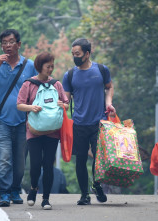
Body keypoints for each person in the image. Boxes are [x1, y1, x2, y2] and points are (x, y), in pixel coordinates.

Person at [0, 29, 38, 207]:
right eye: (4, 43)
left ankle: (15, 189)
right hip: (2, 122)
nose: (7, 45)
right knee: (4, 158)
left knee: (20, 162)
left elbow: (38, 90)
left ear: (19, 45)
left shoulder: (29, 65)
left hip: (24, 121)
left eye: (11, 42)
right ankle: (4, 193)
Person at [62, 38, 116, 205]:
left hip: (99, 122)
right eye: (73, 54)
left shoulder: (101, 69)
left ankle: (96, 184)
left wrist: (109, 103)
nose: (75, 57)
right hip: (78, 123)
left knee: (98, 158)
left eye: (77, 54)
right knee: (80, 160)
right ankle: (84, 194)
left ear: (87, 54)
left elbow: (109, 87)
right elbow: (66, 99)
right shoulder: (69, 75)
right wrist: (60, 105)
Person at [17, 52, 69, 210]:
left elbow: (66, 103)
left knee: (48, 164)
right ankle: (33, 189)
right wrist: (31, 107)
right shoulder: (29, 84)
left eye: (52, 66)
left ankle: (46, 199)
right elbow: (19, 104)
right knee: (35, 164)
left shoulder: (56, 84)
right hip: (34, 131)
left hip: (52, 131)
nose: (51, 69)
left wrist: (62, 105)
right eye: (48, 67)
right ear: (39, 67)